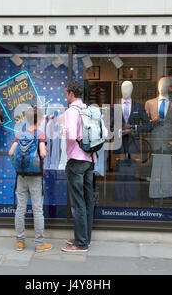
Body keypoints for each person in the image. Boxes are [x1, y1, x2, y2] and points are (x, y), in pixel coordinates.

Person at [8, 105, 53, 252]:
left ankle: (20, 242)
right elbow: (43, 154)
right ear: (39, 119)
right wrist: (45, 148)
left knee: (20, 209)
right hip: (36, 177)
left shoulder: (21, 134)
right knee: (37, 210)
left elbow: (10, 152)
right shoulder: (40, 134)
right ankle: (40, 243)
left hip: (21, 176)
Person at [61, 81, 96, 253]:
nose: (65, 96)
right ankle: (85, 238)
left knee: (78, 203)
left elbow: (71, 135)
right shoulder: (88, 109)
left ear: (71, 94)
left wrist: (61, 130)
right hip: (91, 158)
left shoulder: (71, 111)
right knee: (88, 200)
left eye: (66, 93)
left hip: (76, 159)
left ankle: (81, 243)